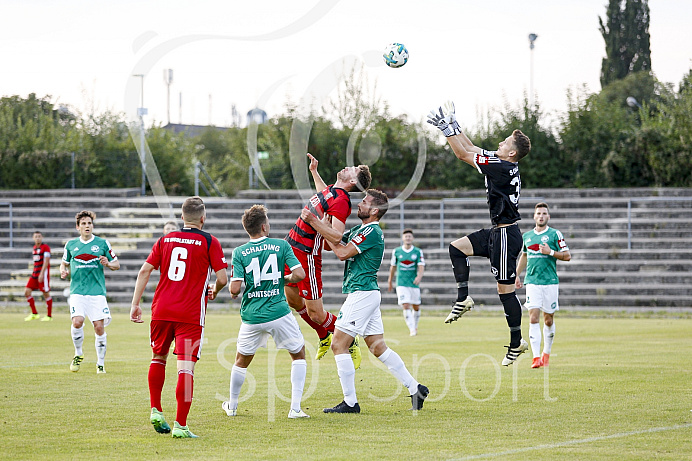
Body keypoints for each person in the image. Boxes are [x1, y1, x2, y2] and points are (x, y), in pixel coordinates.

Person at [301, 189, 429, 413]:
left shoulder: (371, 231)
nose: (359, 204)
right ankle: (415, 387)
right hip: (367, 293)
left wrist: (315, 221)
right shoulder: (362, 229)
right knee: (378, 347)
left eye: (364, 202)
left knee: (338, 344)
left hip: (362, 293)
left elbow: (341, 252)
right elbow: (335, 241)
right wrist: (325, 222)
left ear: (375, 210)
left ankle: (350, 402)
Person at [427, 101, 532, 366]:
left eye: (506, 141)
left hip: (507, 236)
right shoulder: (501, 162)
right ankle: (463, 298)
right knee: (456, 248)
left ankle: (517, 342)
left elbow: (462, 155)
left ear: (512, 153)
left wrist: (446, 131)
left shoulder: (502, 166)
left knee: (505, 292)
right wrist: (454, 124)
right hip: (498, 232)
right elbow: (471, 148)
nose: (501, 141)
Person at [130, 196, 228, 439]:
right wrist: (213, 290)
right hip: (190, 315)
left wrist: (135, 305)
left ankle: (155, 409)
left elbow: (145, 270)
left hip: (161, 311)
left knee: (158, 358)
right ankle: (181, 426)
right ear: (203, 219)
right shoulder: (209, 241)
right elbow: (223, 278)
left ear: (182, 218)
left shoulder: (166, 239)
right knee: (186, 368)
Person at [222, 205, 310, 419]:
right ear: (264, 226)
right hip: (278, 311)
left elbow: (234, 289)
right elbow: (299, 274)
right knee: (298, 354)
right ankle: (295, 409)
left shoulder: (240, 252)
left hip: (251, 315)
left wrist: (241, 289)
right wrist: (284, 279)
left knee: (241, 360)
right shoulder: (281, 245)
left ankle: (232, 406)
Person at [285, 153, 371, 365]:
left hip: (307, 256)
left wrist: (314, 221)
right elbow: (323, 195)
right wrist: (314, 171)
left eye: (351, 168)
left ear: (352, 181)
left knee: (316, 314)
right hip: (290, 247)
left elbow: (336, 236)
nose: (346, 167)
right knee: (293, 300)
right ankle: (324, 336)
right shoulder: (332, 190)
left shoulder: (342, 201)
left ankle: (349, 338)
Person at [60, 211, 120, 374]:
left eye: (89, 223)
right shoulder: (71, 245)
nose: (87, 226)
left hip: (97, 292)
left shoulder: (102, 243)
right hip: (77, 291)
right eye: (84, 223)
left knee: (99, 327)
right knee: (77, 321)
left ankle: (100, 363)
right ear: (78, 227)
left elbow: (117, 264)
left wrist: (108, 263)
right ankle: (78, 353)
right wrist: (63, 271)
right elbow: (63, 263)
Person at [515, 202, 571, 368]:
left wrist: (551, 252)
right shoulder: (527, 236)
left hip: (550, 283)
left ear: (548, 216)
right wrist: (517, 274)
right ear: (534, 216)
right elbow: (524, 256)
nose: (541, 216)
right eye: (538, 213)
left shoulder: (555, 235)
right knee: (533, 317)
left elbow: (567, 256)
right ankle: (536, 357)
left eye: (544, 213)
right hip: (532, 281)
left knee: (548, 320)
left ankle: (546, 352)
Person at [387, 229, 425, 336]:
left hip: (413, 283)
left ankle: (415, 325)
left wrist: (419, 276)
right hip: (401, 283)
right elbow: (393, 267)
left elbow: (421, 266)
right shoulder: (397, 251)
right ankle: (412, 329)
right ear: (403, 238)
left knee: (416, 306)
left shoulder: (417, 251)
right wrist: (390, 281)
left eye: (409, 236)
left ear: (412, 238)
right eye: (406, 236)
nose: (408, 238)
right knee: (406, 304)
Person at [24, 230, 53, 321]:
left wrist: (41, 273)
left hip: (42, 274)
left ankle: (49, 316)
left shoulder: (45, 247)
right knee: (27, 291)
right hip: (34, 274)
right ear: (33, 238)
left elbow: (46, 261)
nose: (37, 238)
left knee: (45, 293)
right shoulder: (34, 248)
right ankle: (34, 313)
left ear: (42, 237)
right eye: (36, 236)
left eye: (39, 236)